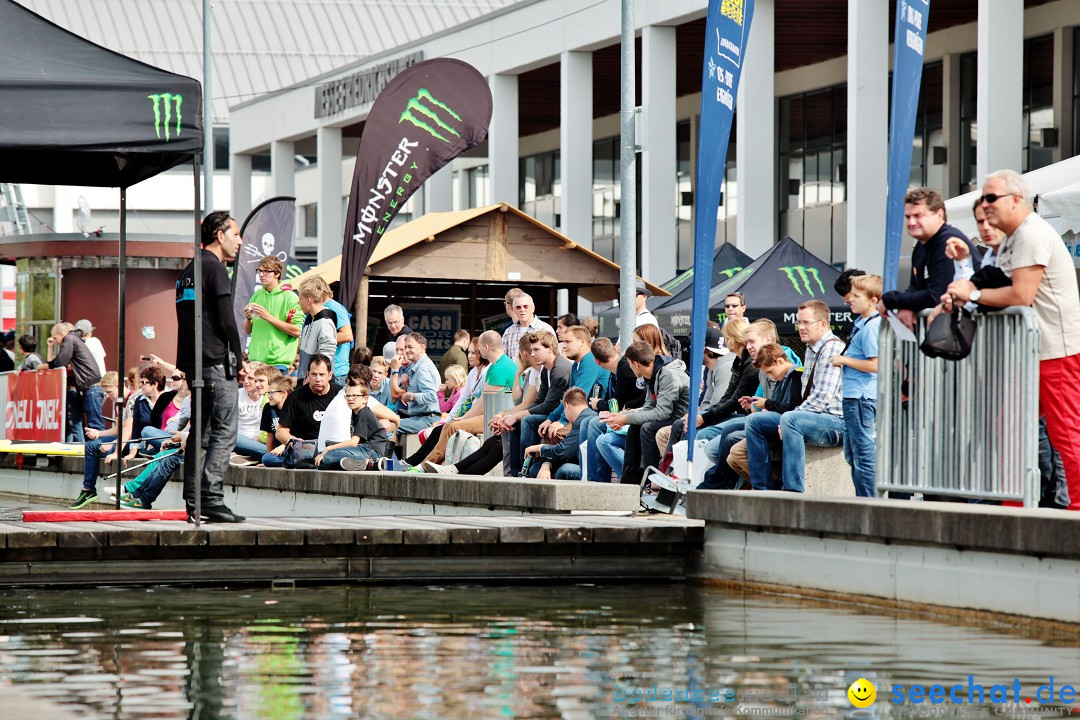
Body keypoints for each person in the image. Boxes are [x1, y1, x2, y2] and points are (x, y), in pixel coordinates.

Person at [945, 169, 1080, 511]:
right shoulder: (1012, 238)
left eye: (991, 198)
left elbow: (1021, 294)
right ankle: (1014, 509)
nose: (985, 206)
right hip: (1029, 354)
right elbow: (992, 282)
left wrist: (972, 293)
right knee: (1012, 435)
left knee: (1065, 436)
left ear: (1017, 199)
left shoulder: (1031, 233)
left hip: (1055, 352)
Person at [174, 210, 247, 523]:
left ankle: (194, 501)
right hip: (216, 362)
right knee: (224, 432)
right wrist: (239, 359)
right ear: (220, 236)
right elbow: (227, 319)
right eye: (236, 234)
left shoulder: (188, 270)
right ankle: (212, 499)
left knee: (199, 434)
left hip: (193, 365)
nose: (240, 241)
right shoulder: (215, 269)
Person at [744, 300, 845, 492]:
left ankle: (792, 490)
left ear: (823, 324)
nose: (801, 328)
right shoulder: (811, 350)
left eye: (807, 322)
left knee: (790, 419)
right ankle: (762, 489)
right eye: (799, 323)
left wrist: (791, 417)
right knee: (755, 421)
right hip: (815, 418)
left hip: (837, 423)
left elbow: (822, 398)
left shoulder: (832, 348)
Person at [880, 187, 973, 329]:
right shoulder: (920, 246)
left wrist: (890, 299)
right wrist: (906, 306)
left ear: (939, 215)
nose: (911, 222)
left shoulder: (948, 242)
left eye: (918, 216)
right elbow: (915, 287)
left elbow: (936, 295)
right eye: (908, 217)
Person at [600, 339, 690, 485]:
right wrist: (623, 416)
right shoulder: (652, 375)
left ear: (636, 364)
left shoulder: (668, 374)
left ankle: (651, 480)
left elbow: (662, 412)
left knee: (647, 428)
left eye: (629, 364)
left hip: (681, 418)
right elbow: (649, 407)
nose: (629, 367)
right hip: (669, 415)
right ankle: (630, 482)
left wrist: (626, 419)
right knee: (635, 429)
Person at [829, 274, 881, 497]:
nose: (851, 300)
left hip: (860, 398)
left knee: (863, 455)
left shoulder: (870, 327)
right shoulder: (863, 323)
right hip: (854, 398)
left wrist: (844, 360)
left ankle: (868, 503)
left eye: (857, 296)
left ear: (873, 300)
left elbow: (876, 364)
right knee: (854, 454)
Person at [724, 343, 806, 483]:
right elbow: (777, 403)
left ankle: (765, 486)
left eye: (770, 372)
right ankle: (768, 485)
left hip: (787, 424)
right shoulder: (782, 378)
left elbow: (792, 406)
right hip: (777, 422)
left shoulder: (796, 375)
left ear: (780, 361)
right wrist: (756, 401)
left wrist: (766, 403)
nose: (770, 377)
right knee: (732, 458)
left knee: (739, 445)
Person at [498, 331, 571, 475]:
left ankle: (526, 468)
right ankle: (515, 471)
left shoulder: (560, 369)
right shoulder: (546, 370)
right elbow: (539, 401)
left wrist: (517, 415)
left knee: (528, 421)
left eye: (536, 350)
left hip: (565, 418)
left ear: (550, 348)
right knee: (517, 422)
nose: (532, 354)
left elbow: (549, 405)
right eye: (531, 350)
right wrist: (514, 416)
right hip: (553, 414)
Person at [535, 325, 606, 444]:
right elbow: (567, 398)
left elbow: (577, 399)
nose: (564, 346)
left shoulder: (590, 360)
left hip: (597, 414)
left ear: (582, 342)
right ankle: (538, 461)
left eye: (568, 342)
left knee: (554, 432)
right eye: (563, 342)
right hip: (582, 414)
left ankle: (551, 462)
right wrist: (551, 418)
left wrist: (561, 421)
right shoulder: (576, 365)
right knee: (540, 425)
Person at [265, 354, 339, 467]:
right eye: (314, 374)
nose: (318, 379)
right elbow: (281, 432)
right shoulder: (295, 397)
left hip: (333, 447)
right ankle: (314, 463)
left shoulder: (341, 394)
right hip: (305, 448)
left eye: (322, 375)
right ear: (307, 374)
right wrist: (295, 442)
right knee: (268, 458)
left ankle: (319, 462)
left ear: (330, 375)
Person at [39, 321, 103, 442]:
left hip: (90, 387)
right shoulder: (75, 339)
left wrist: (46, 366)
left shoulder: (69, 339)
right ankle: (93, 451)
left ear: (63, 334)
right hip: (90, 386)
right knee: (91, 423)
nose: (55, 341)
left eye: (55, 337)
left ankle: (95, 453)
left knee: (94, 424)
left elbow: (60, 362)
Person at [67, 372, 122, 509]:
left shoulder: (131, 400)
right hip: (123, 437)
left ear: (118, 386)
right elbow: (119, 429)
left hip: (133, 439)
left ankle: (89, 490)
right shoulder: (117, 403)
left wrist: (114, 444)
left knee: (96, 448)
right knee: (92, 445)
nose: (107, 396)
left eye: (109, 392)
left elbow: (130, 430)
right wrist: (99, 433)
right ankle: (88, 489)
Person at [243, 255, 303, 370]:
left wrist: (268, 317)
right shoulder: (256, 295)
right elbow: (248, 330)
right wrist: (248, 318)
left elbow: (297, 331)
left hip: (278, 363)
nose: (261, 274)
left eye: (266, 271)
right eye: (259, 271)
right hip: (255, 361)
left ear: (277, 274)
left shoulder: (290, 297)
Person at [315, 377, 388, 471]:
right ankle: (363, 464)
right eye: (348, 396)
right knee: (322, 462)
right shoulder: (355, 412)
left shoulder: (363, 413)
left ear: (365, 399)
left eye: (355, 396)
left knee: (327, 457)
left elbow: (353, 442)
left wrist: (329, 449)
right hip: (363, 449)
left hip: (371, 451)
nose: (350, 399)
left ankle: (369, 462)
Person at [524, 388, 597, 480]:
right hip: (580, 463)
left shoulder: (583, 419)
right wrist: (547, 464)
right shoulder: (586, 415)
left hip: (592, 471)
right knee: (536, 469)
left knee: (565, 470)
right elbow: (568, 452)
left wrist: (539, 448)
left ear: (566, 405)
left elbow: (563, 451)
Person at [396, 333, 443, 435]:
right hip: (421, 417)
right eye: (406, 347)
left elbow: (432, 396)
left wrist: (411, 396)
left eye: (410, 347)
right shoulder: (419, 365)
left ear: (422, 348)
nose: (407, 350)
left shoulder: (423, 368)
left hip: (427, 419)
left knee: (388, 426)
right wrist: (405, 375)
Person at [501, 293, 556, 362]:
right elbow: (503, 358)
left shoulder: (545, 329)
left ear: (533, 308)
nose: (522, 310)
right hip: (514, 372)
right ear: (514, 310)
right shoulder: (508, 332)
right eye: (518, 307)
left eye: (525, 306)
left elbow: (553, 356)